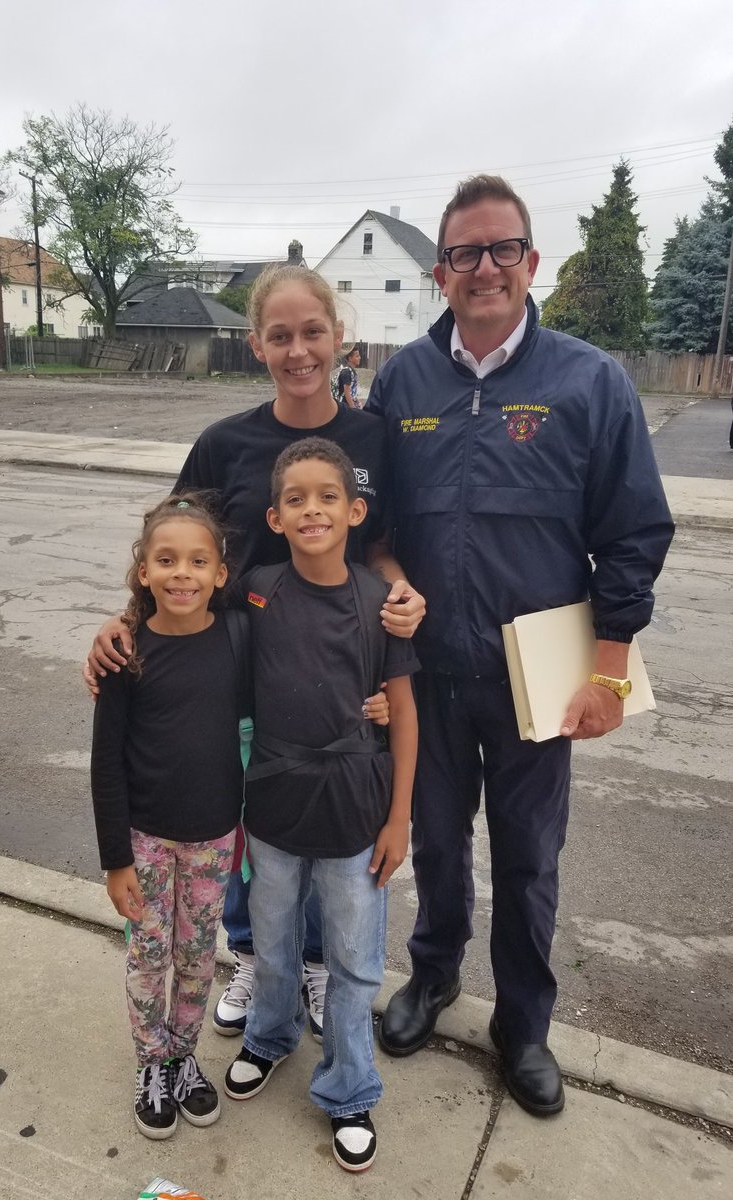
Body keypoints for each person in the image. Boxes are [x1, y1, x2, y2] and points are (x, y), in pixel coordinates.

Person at [368, 175, 675, 1117]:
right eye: (466, 253)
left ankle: (525, 1023)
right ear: (441, 271)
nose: (485, 268)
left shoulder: (588, 382)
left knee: (530, 857)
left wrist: (609, 674)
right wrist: (385, 601)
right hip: (430, 673)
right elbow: (369, 523)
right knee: (435, 844)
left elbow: (632, 531)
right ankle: (433, 977)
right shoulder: (402, 380)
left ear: (531, 262)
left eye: (503, 249)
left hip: (537, 675)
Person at [84, 264, 425, 1043]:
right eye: (281, 336)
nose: (298, 349)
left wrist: (402, 593)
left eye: (313, 333)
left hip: (335, 666)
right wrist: (123, 621)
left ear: (339, 339)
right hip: (235, 663)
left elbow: (382, 550)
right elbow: (172, 539)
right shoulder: (226, 442)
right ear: (256, 345)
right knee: (249, 822)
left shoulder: (374, 439)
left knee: (319, 820)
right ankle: (251, 956)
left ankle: (307, 963)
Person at [223, 437, 419, 1173]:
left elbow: (403, 713)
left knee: (354, 964)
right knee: (272, 945)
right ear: (274, 517)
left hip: (354, 816)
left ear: (355, 510)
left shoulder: (381, 604)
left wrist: (399, 818)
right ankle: (269, 1038)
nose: (312, 510)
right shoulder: (257, 591)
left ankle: (348, 1087)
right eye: (296, 500)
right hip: (272, 807)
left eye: (327, 497)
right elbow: (198, 641)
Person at [90, 494, 242, 1141]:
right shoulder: (127, 653)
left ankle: (183, 1058)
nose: (183, 572)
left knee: (199, 958)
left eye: (197, 560)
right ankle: (150, 1063)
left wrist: (372, 707)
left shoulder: (238, 639)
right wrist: (115, 861)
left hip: (214, 839)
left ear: (219, 574)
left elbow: (295, 691)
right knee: (150, 958)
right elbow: (105, 765)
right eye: (167, 560)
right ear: (145, 571)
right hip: (146, 842)